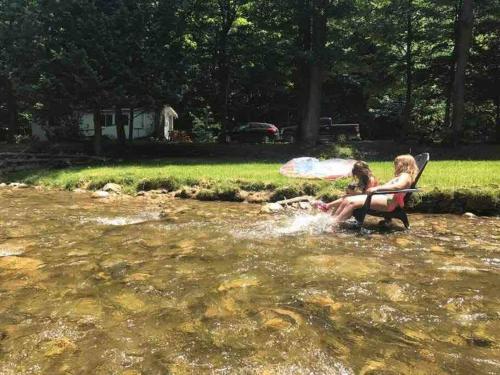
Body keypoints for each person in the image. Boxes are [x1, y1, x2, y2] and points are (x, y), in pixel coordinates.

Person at [330, 154, 419, 223]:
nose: (394, 165)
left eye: (396, 163)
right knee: (347, 199)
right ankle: (333, 219)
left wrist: (377, 189)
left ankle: (335, 223)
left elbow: (398, 186)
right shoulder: (401, 176)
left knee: (352, 202)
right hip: (385, 199)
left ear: (404, 165)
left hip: (389, 202)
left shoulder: (405, 176)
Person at [314, 160, 378, 212]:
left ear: (363, 172)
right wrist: (351, 189)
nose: (357, 176)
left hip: (370, 201)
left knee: (347, 197)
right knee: (346, 197)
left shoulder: (371, 179)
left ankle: (327, 206)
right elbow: (361, 191)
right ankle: (329, 208)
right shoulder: (363, 178)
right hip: (364, 199)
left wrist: (353, 193)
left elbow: (366, 195)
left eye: (358, 174)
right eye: (356, 174)